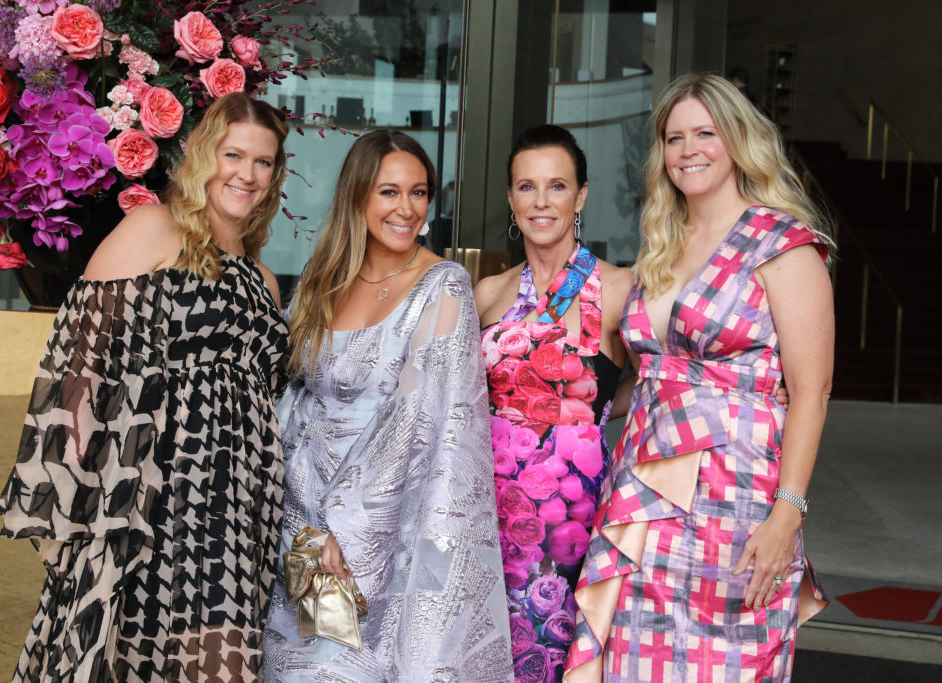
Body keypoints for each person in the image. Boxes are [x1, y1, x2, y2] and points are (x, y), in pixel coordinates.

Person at [0, 93, 290, 680]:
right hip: (149, 493)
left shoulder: (263, 280)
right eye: (235, 155)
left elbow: (269, 401)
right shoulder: (154, 228)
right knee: (131, 654)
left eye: (264, 162)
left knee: (220, 663)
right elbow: (79, 362)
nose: (247, 174)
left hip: (236, 505)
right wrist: (65, 494)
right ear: (206, 154)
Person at [566, 73, 833, 681]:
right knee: (634, 658)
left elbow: (812, 390)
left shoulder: (781, 244)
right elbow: (649, 376)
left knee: (727, 662)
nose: (688, 150)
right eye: (674, 137)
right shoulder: (663, 243)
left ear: (738, 140)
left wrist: (786, 514)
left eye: (705, 133)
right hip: (642, 492)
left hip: (738, 497)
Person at [262, 130, 512, 681]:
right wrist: (293, 520)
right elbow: (293, 401)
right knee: (290, 668)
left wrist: (342, 533)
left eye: (419, 193)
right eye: (388, 192)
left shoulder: (442, 286)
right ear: (358, 197)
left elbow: (419, 422)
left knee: (345, 670)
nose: (406, 209)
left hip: (378, 533)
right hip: (296, 528)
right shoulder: (319, 280)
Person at [474, 124, 633, 679]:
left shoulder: (617, 290)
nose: (541, 202)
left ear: (581, 195)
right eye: (526, 187)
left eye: (557, 186)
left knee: (565, 659)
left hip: (576, 520)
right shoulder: (487, 292)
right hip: (488, 517)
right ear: (511, 198)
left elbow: (660, 384)